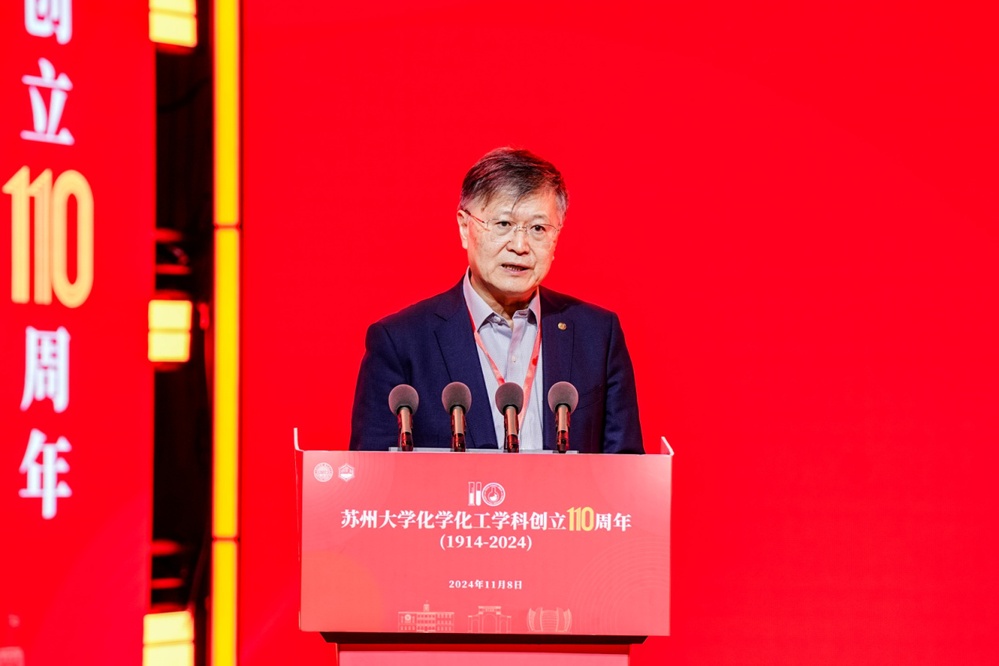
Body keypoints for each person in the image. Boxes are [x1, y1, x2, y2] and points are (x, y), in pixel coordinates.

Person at [349, 147, 643, 453]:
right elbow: (372, 473)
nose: (520, 245)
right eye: (503, 224)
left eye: (538, 228)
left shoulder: (597, 335)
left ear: (556, 237)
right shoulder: (401, 343)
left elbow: (626, 469)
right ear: (464, 227)